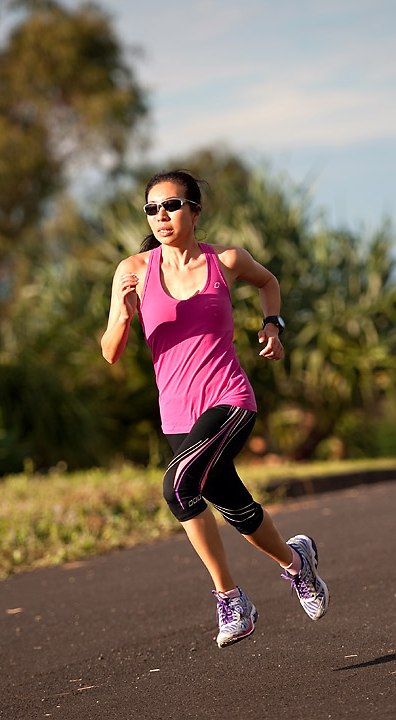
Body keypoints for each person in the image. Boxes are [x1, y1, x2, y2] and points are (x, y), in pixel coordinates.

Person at [101, 169, 329, 648]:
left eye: (172, 206)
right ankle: (297, 563)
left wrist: (272, 324)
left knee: (176, 488)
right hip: (177, 416)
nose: (161, 216)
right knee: (236, 508)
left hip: (229, 400)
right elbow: (111, 352)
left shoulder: (225, 261)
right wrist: (122, 313)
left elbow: (268, 282)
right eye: (152, 208)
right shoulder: (134, 270)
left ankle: (231, 599)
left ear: (195, 211)